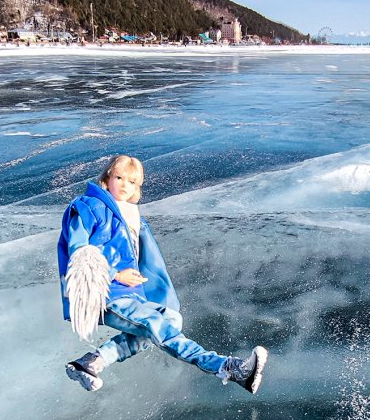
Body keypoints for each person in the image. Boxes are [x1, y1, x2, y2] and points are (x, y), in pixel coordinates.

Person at [58, 154, 268, 394]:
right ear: (107, 177)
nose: (125, 185)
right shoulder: (86, 207)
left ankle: (90, 363)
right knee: (155, 324)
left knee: (171, 320)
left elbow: (145, 259)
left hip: (131, 294)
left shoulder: (132, 215)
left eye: (132, 182)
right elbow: (79, 254)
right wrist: (116, 275)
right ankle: (227, 367)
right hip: (105, 293)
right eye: (119, 177)